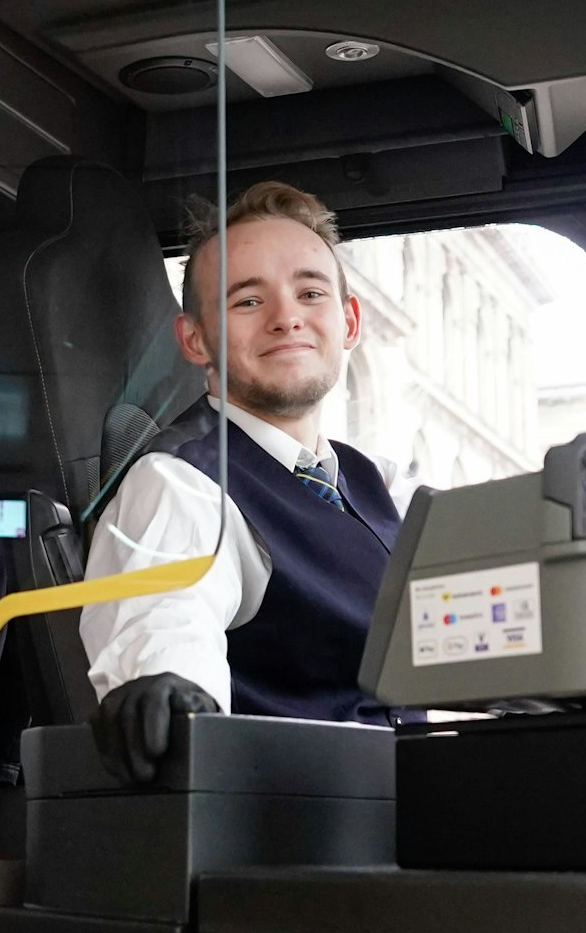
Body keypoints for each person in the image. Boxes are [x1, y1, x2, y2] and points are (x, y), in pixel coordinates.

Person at [80, 181, 420, 782]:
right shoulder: (182, 484)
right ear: (194, 340)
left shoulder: (379, 485)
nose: (287, 318)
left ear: (348, 321)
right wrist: (172, 684)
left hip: (427, 796)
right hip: (305, 825)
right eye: (246, 302)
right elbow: (164, 615)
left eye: (310, 293)